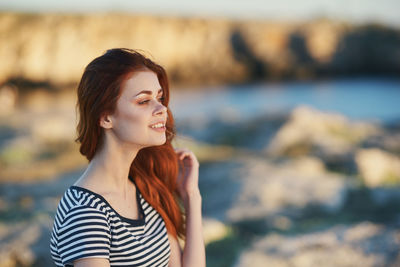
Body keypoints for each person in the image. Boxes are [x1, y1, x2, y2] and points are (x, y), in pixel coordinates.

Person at [49, 48, 205, 267]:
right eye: (143, 101)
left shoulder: (146, 190)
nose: (161, 108)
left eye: (159, 97)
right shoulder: (85, 212)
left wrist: (191, 196)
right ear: (105, 118)